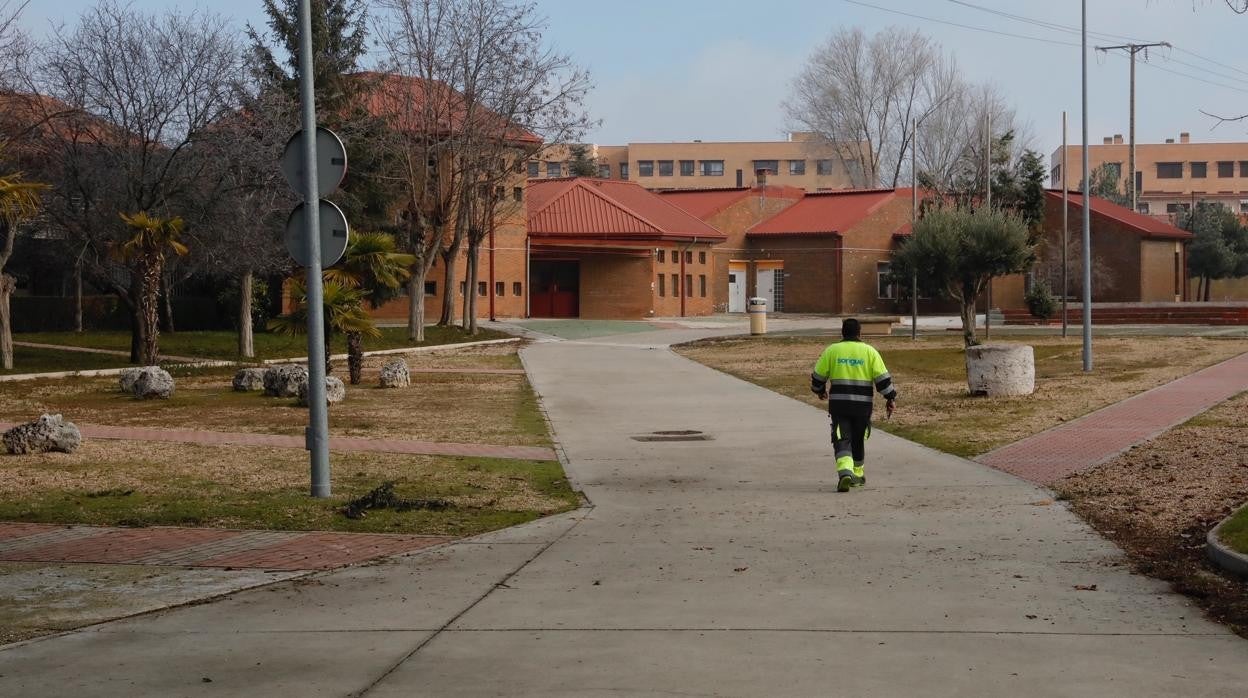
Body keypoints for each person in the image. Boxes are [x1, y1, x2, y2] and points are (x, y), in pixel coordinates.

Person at [810, 318, 898, 492]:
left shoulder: (832, 351)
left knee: (842, 438)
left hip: (839, 406)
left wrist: (819, 390)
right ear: (859, 333)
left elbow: (818, 377)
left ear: (842, 332)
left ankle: (845, 473)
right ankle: (857, 476)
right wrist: (890, 398)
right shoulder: (870, 352)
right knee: (858, 440)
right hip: (862, 408)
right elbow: (883, 381)